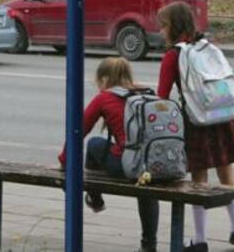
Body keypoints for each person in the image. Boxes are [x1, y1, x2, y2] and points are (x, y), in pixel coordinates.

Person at [156, 2, 234, 252]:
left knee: (199, 179)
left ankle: (200, 239)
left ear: (173, 27)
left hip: (196, 121)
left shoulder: (172, 56)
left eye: (163, 26)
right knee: (226, 172)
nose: (160, 31)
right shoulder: (208, 46)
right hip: (221, 115)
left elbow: (162, 97)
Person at [58, 57, 160, 252]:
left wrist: (64, 161)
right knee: (146, 182)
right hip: (155, 163)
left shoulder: (105, 97)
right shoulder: (147, 94)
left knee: (95, 143)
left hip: (127, 166)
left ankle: (95, 198)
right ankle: (149, 245)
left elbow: (79, 131)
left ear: (104, 79)